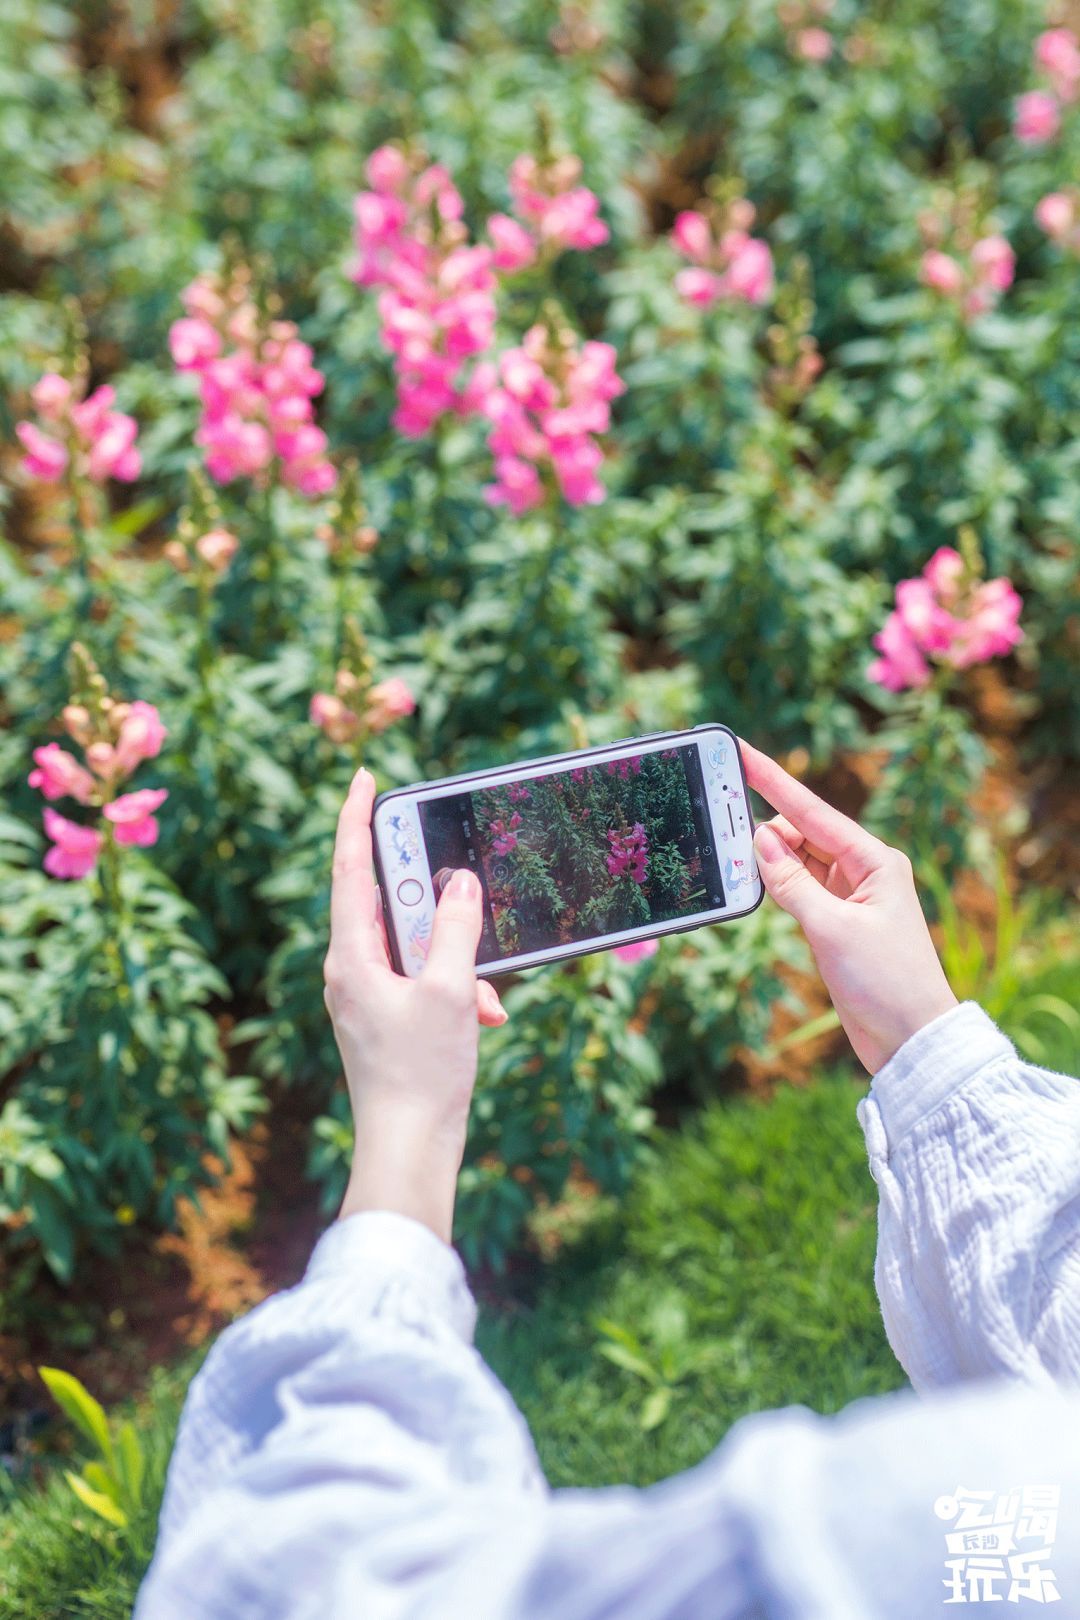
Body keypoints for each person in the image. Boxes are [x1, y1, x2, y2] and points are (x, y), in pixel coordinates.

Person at [134, 743, 1080, 1618]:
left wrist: (406, 1128)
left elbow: (293, 1570)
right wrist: (921, 1032)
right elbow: (1046, 1315)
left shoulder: (914, 1544)